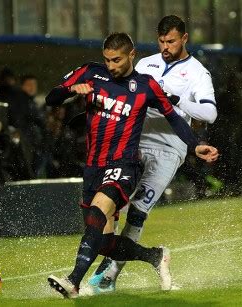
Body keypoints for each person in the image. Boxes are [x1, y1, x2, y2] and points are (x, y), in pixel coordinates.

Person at [45, 32, 218, 298]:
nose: (111, 66)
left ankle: (73, 281)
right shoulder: (91, 73)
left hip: (124, 165)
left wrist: (194, 145)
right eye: (107, 60)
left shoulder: (145, 85)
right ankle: (155, 256)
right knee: (102, 242)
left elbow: (173, 117)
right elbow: (51, 98)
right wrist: (70, 91)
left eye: (117, 60)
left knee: (98, 211)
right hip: (93, 167)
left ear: (131, 55)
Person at [89, 15, 218, 293]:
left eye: (171, 41)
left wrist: (175, 98)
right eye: (161, 41)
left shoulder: (197, 73)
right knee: (112, 203)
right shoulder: (146, 64)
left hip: (170, 149)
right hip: (135, 143)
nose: (165, 47)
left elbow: (210, 112)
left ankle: (110, 274)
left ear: (184, 39)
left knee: (138, 209)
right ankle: (108, 259)